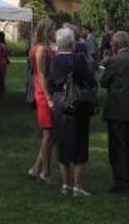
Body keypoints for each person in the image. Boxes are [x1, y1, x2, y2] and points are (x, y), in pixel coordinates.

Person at [50, 27, 97, 197]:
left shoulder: (54, 60)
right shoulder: (78, 59)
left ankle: (65, 185)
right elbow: (90, 80)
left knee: (62, 142)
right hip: (77, 102)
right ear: (72, 42)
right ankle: (77, 186)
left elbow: (51, 81)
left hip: (59, 101)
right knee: (80, 142)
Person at [100, 31, 129, 193]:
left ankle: (121, 181)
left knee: (118, 145)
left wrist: (106, 65)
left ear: (116, 45)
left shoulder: (115, 60)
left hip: (117, 107)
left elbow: (104, 81)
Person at [28, 18, 56, 183]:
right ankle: (45, 172)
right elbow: (42, 75)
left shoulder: (44, 48)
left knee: (50, 135)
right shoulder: (41, 51)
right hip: (44, 94)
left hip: (46, 93)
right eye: (52, 29)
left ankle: (36, 169)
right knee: (48, 135)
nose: (54, 32)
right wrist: (49, 98)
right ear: (46, 31)